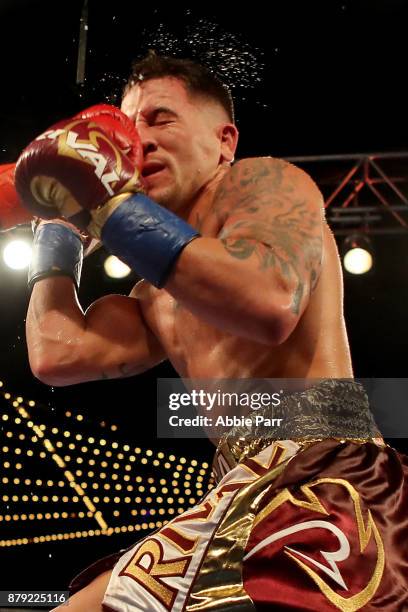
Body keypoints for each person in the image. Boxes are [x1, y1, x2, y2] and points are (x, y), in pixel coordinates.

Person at [9, 52, 408, 610]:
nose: (135, 141)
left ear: (224, 140)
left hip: (323, 472)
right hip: (238, 486)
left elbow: (267, 301)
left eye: (161, 119)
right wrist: (58, 238)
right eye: (127, 127)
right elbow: (55, 355)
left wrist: (113, 211)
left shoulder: (266, 182)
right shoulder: (153, 294)